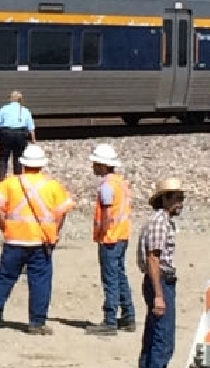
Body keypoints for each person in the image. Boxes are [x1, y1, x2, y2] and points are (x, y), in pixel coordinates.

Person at [0, 144, 74, 335]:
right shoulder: (52, 186)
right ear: (41, 165)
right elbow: (62, 212)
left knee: (5, 278)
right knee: (40, 281)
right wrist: (54, 233)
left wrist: (4, 226)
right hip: (40, 241)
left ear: (23, 164)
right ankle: (36, 323)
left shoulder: (10, 184)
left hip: (14, 239)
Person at [85, 144, 136, 336]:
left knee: (111, 279)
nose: (93, 167)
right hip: (122, 235)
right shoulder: (120, 182)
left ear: (103, 165)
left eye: (95, 163)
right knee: (120, 276)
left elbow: (106, 214)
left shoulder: (107, 186)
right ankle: (128, 316)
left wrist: (102, 233)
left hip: (110, 237)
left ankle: (110, 320)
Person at [137, 178, 185, 368]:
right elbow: (153, 259)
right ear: (165, 199)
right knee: (162, 340)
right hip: (160, 282)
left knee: (153, 337)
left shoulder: (162, 221)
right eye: (177, 198)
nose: (181, 202)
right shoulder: (159, 223)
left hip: (160, 282)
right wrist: (159, 295)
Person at [0, 91, 36, 178]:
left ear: (10, 99)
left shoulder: (4, 108)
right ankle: (18, 178)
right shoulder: (25, 110)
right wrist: (33, 140)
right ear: (20, 100)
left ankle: (2, 176)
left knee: (3, 156)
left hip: (6, 134)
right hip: (20, 135)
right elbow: (31, 127)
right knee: (18, 157)